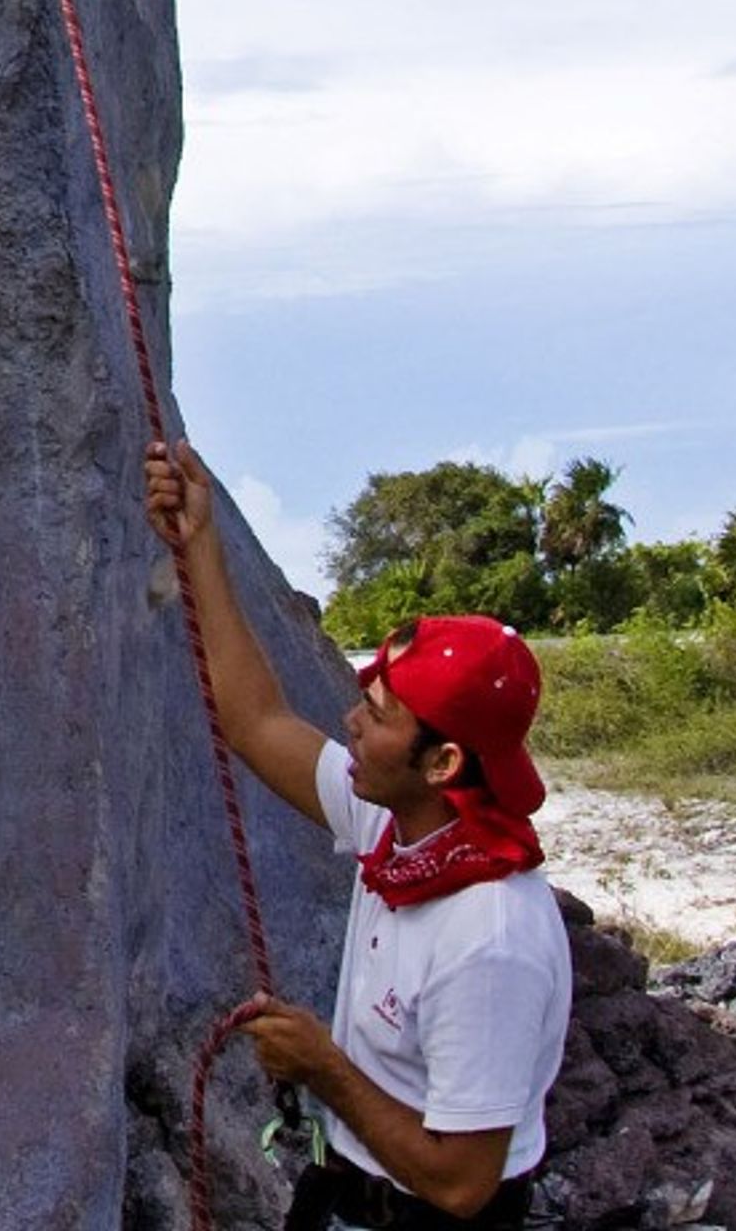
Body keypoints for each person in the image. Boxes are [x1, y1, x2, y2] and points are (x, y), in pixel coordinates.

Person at [144, 440, 575, 1228]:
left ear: (443, 762)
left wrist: (324, 1070)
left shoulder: (489, 937)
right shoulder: (401, 828)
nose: (349, 720)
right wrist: (199, 539)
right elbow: (256, 720)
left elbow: (461, 1185)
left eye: (376, 717)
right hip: (353, 1195)